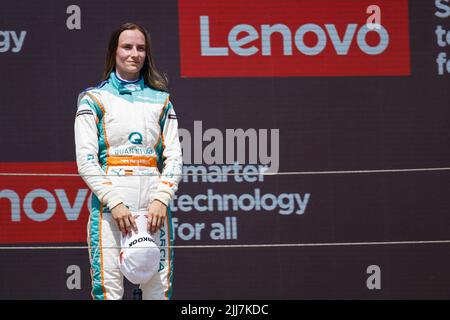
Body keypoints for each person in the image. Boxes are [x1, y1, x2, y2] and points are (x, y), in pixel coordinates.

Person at [74, 22, 182, 300]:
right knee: (108, 292)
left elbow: (174, 157)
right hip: (111, 209)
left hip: (154, 207)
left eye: (141, 48)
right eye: (127, 47)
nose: (134, 53)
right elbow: (86, 160)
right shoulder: (93, 99)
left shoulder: (162, 101)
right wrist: (115, 202)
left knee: (158, 291)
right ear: (114, 51)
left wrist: (162, 198)